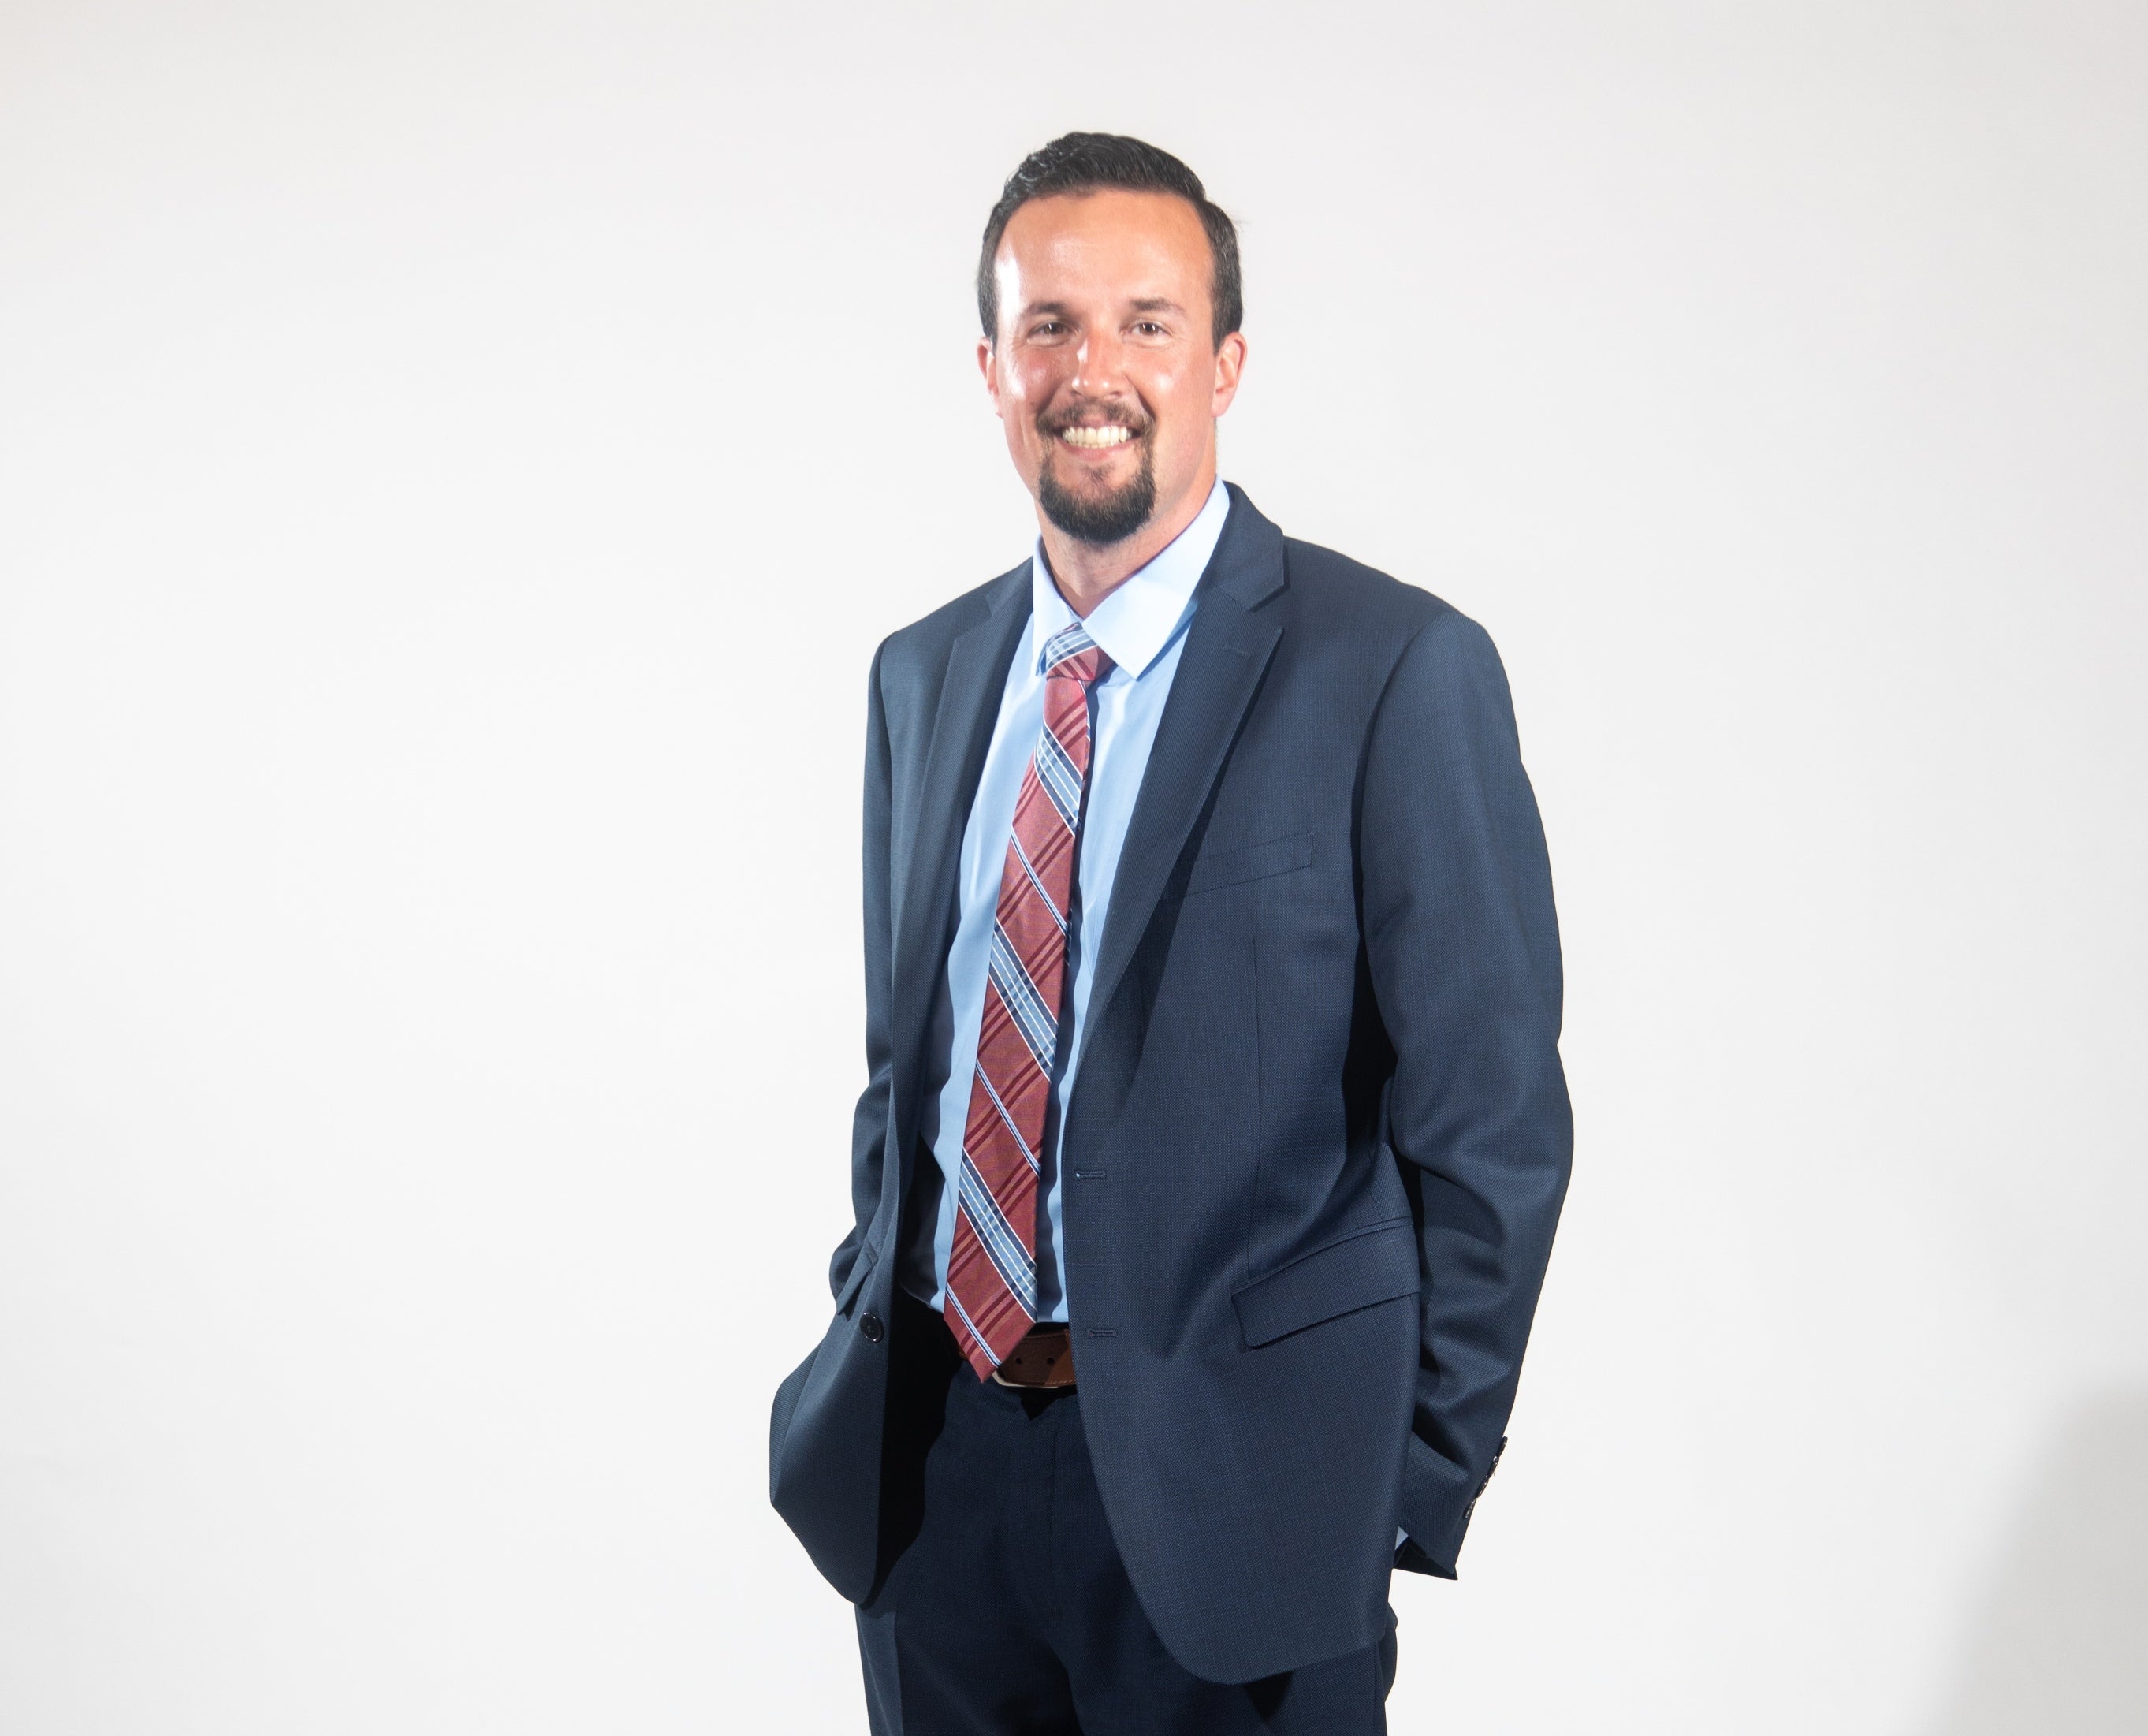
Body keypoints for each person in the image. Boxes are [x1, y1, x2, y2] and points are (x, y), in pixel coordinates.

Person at [769, 132, 1571, 1734]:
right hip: (940, 1485)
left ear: (1226, 361)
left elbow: (1490, 1123)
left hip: (1251, 1511)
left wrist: (1398, 1479)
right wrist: (879, 1297)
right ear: (992, 368)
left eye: (1146, 321)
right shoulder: (921, 677)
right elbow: (904, 1074)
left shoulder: (1390, 669)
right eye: (1050, 326)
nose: (1096, 371)